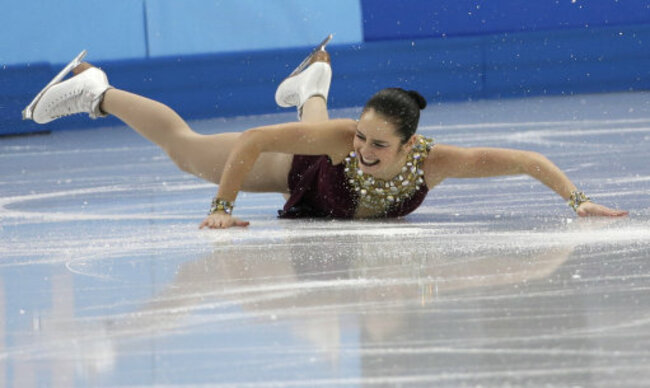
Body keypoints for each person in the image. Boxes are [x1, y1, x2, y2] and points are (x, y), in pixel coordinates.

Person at [23, 37, 628, 229]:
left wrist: (579, 202)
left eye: (377, 144)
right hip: (291, 167)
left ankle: (314, 79)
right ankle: (94, 88)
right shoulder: (348, 139)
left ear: (412, 146)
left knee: (318, 129)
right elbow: (258, 139)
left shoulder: (438, 160)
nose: (362, 149)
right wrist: (223, 206)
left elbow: (526, 160)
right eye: (361, 136)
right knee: (186, 152)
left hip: (320, 155)